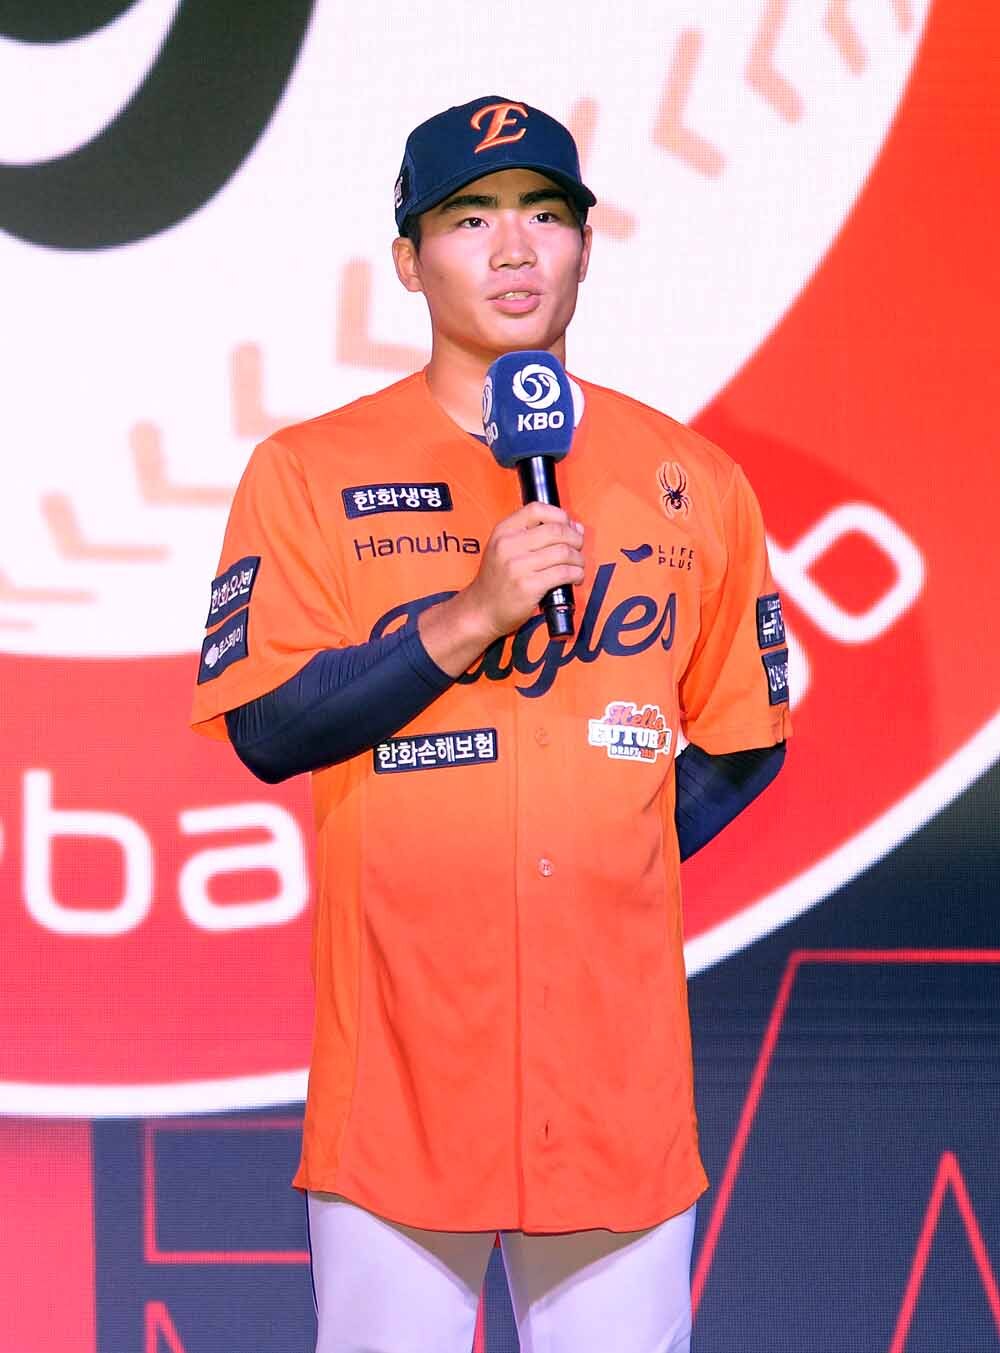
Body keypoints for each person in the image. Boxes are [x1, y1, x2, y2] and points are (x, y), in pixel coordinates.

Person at [191, 94, 791, 1353]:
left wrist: (613, 850)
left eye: (542, 215)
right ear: (409, 261)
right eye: (469, 219)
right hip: (400, 1090)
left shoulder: (690, 478)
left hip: (616, 1096)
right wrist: (467, 619)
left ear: (585, 247)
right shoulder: (308, 471)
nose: (512, 248)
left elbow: (746, 729)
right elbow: (265, 728)